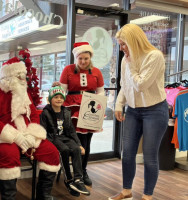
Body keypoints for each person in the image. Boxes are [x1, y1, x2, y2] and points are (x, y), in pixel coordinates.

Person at [0, 57, 60, 200]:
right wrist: (16, 137)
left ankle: (44, 195)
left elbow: (34, 115)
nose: (24, 79)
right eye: (20, 76)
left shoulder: (24, 93)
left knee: (51, 152)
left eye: (24, 76)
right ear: (8, 77)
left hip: (26, 135)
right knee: (9, 155)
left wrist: (30, 135)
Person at [109, 24, 169, 200]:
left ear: (134, 42)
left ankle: (147, 196)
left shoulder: (154, 57)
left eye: (124, 44)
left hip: (155, 111)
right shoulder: (125, 59)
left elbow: (141, 85)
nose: (121, 49)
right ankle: (127, 191)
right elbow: (125, 86)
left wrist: (132, 65)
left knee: (150, 156)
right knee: (127, 153)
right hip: (133, 111)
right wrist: (119, 104)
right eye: (120, 45)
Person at [57, 42, 105, 186]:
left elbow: (100, 91)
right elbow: (61, 91)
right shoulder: (68, 70)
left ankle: (83, 171)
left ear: (90, 57)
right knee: (75, 142)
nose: (83, 61)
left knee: (86, 142)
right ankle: (74, 173)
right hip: (72, 110)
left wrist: (99, 107)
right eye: (80, 58)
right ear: (76, 58)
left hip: (89, 108)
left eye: (86, 58)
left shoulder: (97, 72)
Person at [40, 86, 90, 197]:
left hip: (66, 137)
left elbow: (72, 131)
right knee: (65, 150)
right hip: (53, 138)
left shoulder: (66, 112)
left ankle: (78, 180)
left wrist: (79, 144)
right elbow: (43, 131)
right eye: (56, 97)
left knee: (76, 149)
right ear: (50, 99)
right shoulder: (46, 113)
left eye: (61, 97)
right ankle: (68, 180)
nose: (59, 99)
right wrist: (48, 143)